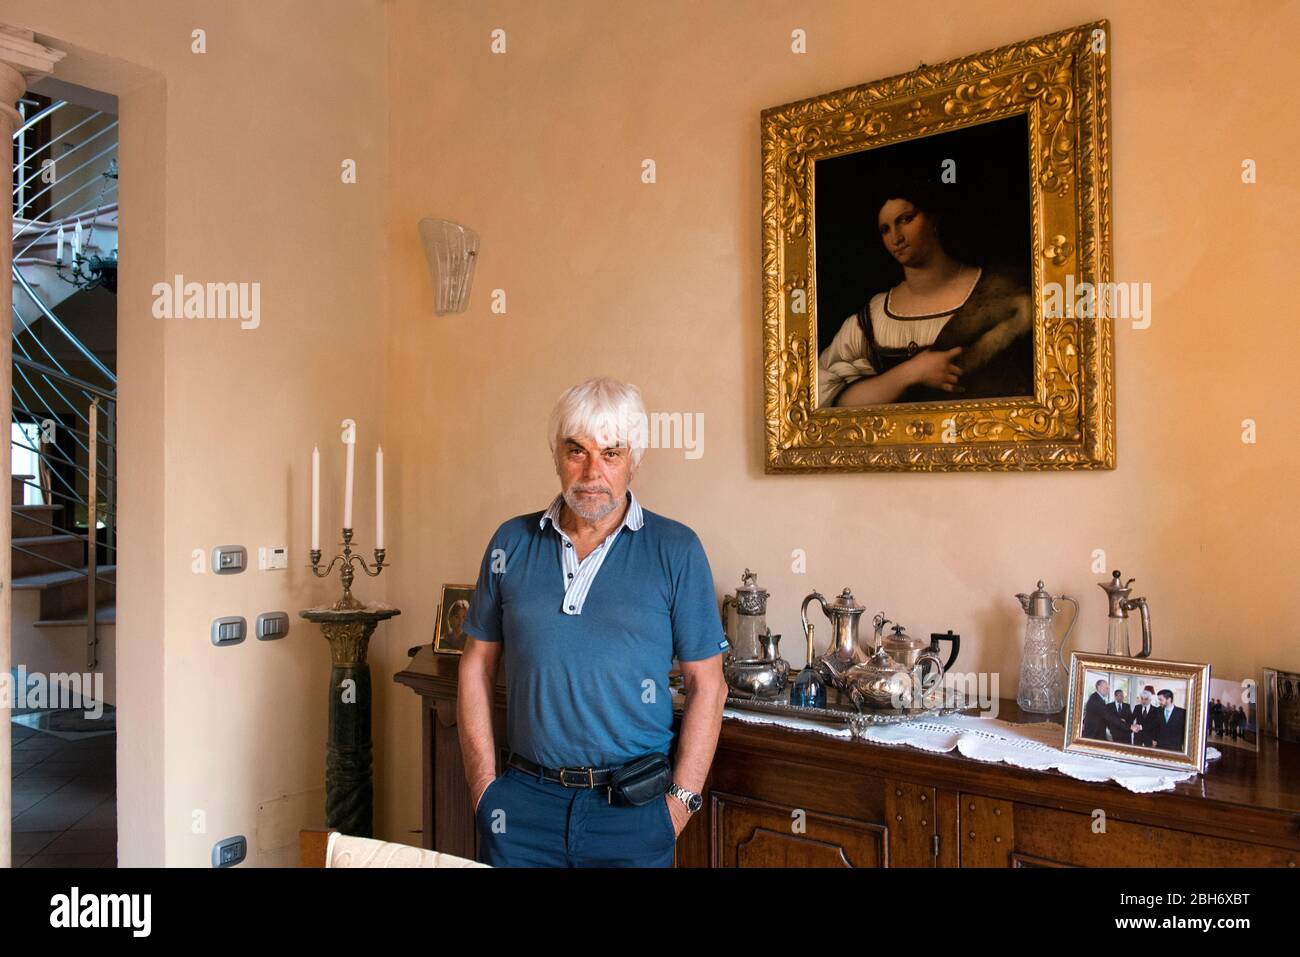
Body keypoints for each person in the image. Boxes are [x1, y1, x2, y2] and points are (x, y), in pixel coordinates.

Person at [457, 377, 729, 867]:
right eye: (576, 450)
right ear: (556, 455)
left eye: (611, 452)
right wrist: (484, 790)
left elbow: (707, 684)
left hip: (633, 810)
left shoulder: (677, 549)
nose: (591, 472)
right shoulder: (509, 542)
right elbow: (475, 665)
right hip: (521, 810)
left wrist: (679, 805)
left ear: (634, 459)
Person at [817, 180, 1033, 407]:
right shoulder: (871, 319)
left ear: (933, 219)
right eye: (885, 229)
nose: (896, 238)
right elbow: (826, 397)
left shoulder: (1006, 294)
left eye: (906, 219)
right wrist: (912, 372)